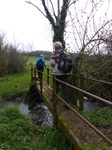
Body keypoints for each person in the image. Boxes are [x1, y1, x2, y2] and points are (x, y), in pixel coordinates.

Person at [50, 41, 70, 109]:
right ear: (61, 47)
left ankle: (54, 98)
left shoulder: (54, 53)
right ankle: (67, 103)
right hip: (64, 73)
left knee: (55, 87)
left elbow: (52, 63)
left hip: (56, 73)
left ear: (55, 47)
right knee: (65, 88)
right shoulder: (65, 53)